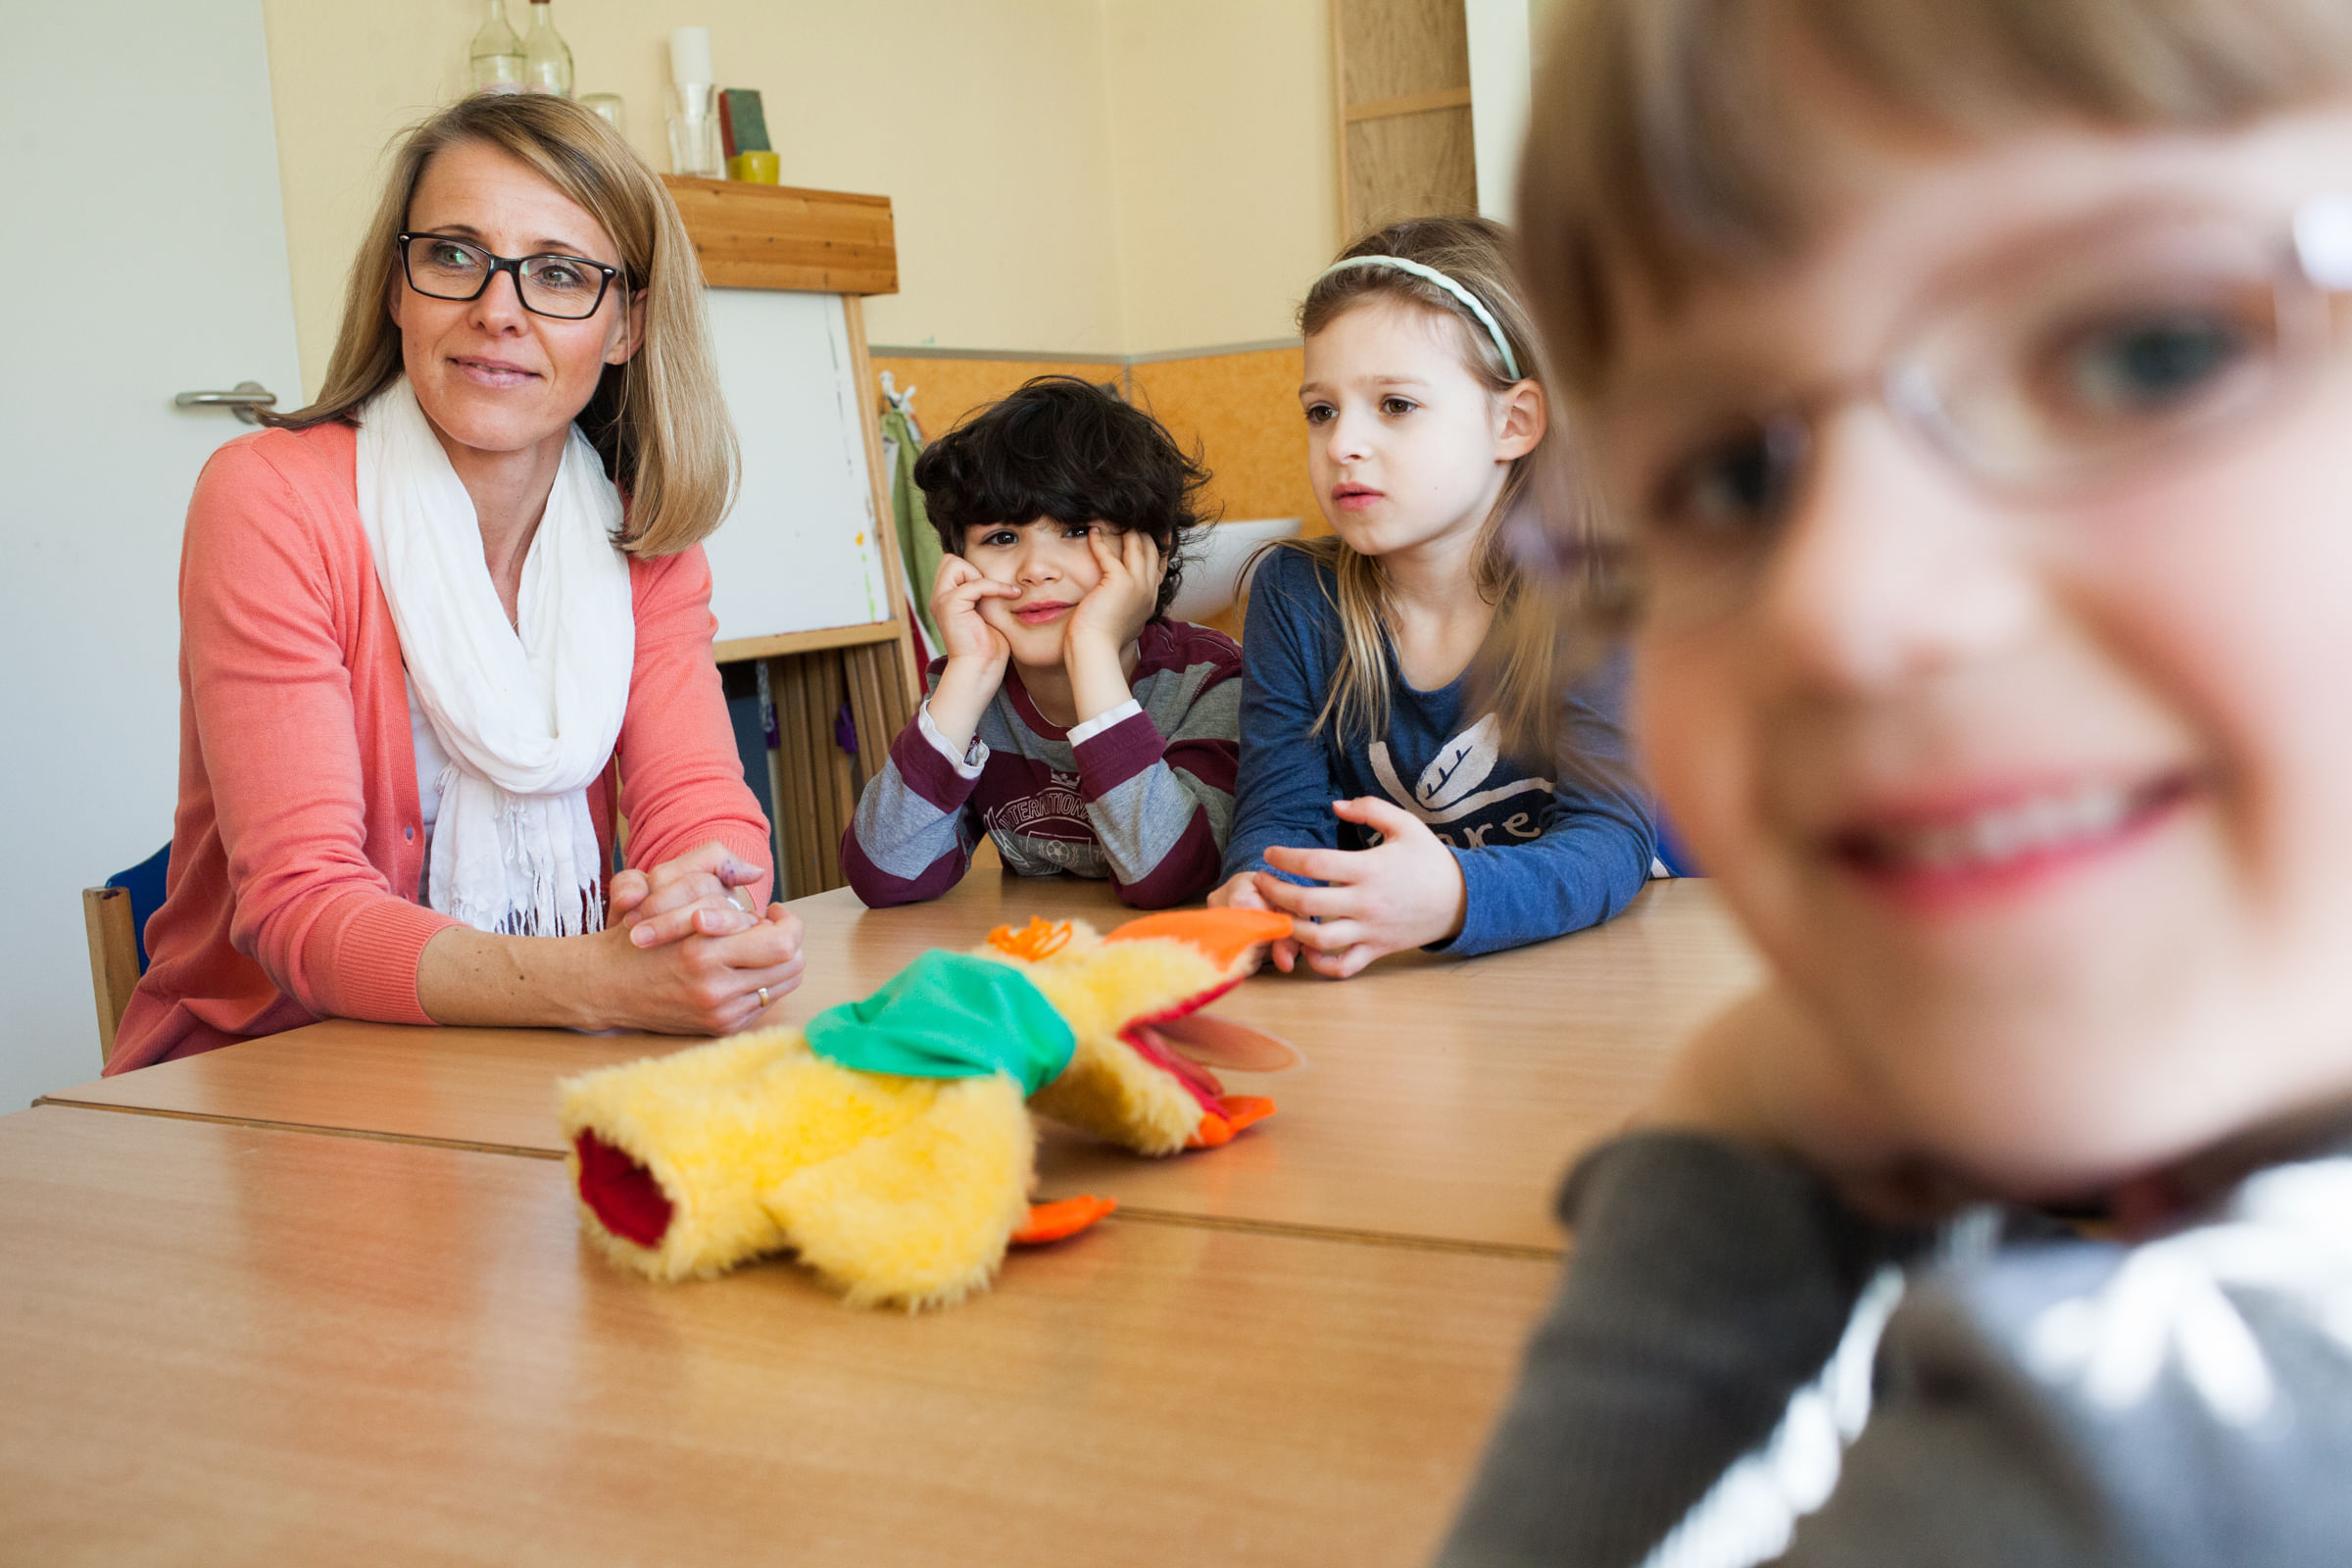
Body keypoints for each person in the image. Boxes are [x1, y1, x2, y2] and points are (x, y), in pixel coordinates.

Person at [1440, 1, 2352, 1563]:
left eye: (2151, 351)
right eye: (1730, 477)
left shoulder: (2136, 1459)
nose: (1838, 601)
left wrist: (1725, 1161)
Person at [111, 94, 804, 1075]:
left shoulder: (642, 529)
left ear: (626, 327)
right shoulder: (269, 499)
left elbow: (701, 806)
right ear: (397, 287)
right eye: (453, 256)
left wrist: (703, 903)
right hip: (270, 1078)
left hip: (527, 1067)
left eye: (560, 274)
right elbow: (300, 903)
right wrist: (603, 981)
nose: (498, 311)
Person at [1208, 219, 1656, 978]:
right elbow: (1280, 814)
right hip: (1377, 1000)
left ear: (1512, 422)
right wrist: (1259, 884)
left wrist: (1452, 896)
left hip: (1569, 985)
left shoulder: (1587, 592)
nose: (1343, 442)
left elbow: (1610, 840)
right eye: (1321, 410)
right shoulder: (1295, 595)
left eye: (1395, 405)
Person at [841, 376, 1242, 908]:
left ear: (1156, 551)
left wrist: (1094, 650)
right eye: (1002, 538)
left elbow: (1168, 877)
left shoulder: (1209, 682)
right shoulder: (973, 687)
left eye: (1077, 529)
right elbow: (886, 878)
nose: (1035, 570)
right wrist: (969, 674)